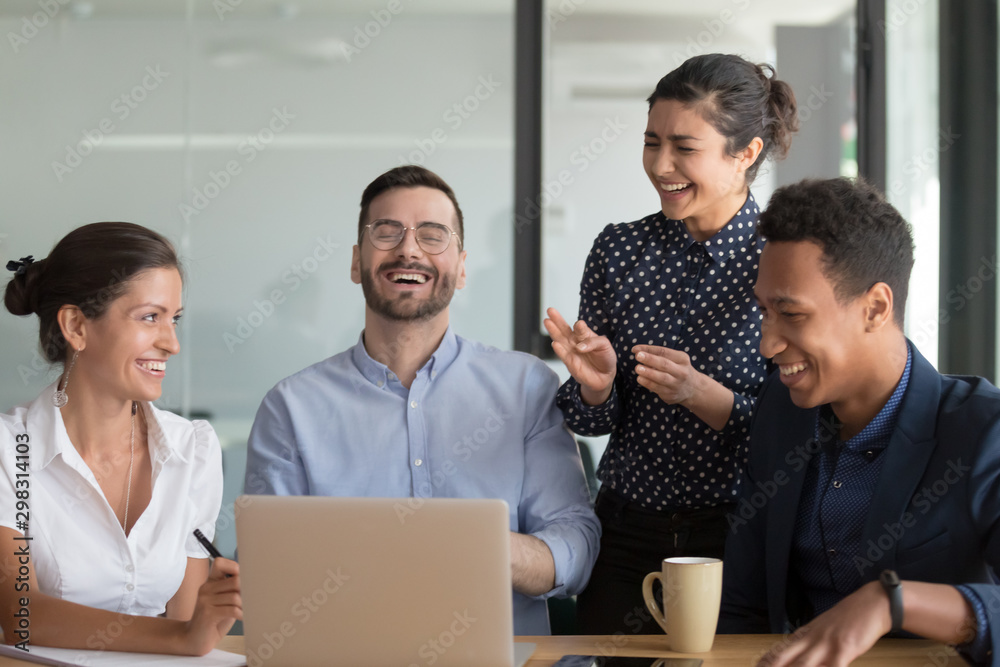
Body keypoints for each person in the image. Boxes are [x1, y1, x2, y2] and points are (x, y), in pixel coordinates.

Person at [244, 165, 601, 635]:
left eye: (433, 235)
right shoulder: (290, 407)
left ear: (462, 266)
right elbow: (269, 570)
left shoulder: (527, 387)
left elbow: (574, 548)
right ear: (356, 262)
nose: (409, 249)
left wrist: (471, 545)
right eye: (387, 232)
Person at [543, 53, 798, 634]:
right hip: (626, 531)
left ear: (746, 154)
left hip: (739, 534)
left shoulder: (784, 262)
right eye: (651, 142)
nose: (661, 165)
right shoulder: (619, 251)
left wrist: (702, 394)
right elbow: (591, 421)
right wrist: (597, 387)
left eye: (684, 147)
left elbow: (810, 428)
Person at [720, 177, 1000, 666]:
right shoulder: (780, 411)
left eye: (791, 314)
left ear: (875, 308)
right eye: (764, 312)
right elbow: (742, 607)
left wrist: (892, 602)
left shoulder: (983, 430)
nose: (767, 343)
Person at [0, 223, 240, 655]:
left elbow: (187, 633)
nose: (172, 343)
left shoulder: (192, 450)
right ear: (76, 326)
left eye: (174, 319)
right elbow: (21, 615)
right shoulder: (9, 450)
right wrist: (181, 636)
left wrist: (212, 611)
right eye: (150, 317)